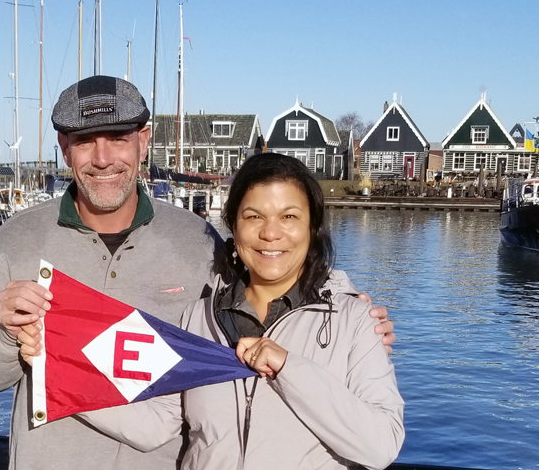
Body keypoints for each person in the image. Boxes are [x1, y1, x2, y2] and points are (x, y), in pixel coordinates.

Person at [0, 75, 395, 470]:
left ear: (143, 140)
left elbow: (272, 269)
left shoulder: (197, 241)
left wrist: (350, 304)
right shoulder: (18, 238)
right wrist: (7, 334)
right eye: (85, 141)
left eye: (118, 137)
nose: (103, 158)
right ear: (64, 146)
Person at [22, 152, 404, 469]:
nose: (270, 233)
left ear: (312, 227)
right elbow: (156, 425)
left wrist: (290, 368)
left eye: (289, 217)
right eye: (254, 216)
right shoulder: (197, 319)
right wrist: (52, 366)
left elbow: (380, 446)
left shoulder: (353, 321)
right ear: (234, 228)